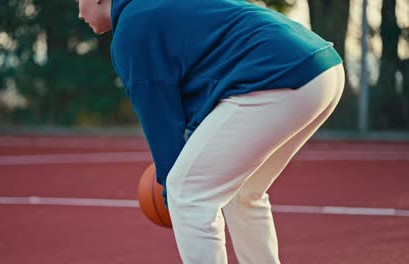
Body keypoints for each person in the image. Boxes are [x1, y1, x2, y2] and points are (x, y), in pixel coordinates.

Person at [76, 0, 345, 263]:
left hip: (280, 76)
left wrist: (173, 197)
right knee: (243, 194)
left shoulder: (131, 31)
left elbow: (161, 124)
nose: (79, 12)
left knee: (188, 194)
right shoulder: (152, 9)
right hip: (321, 66)